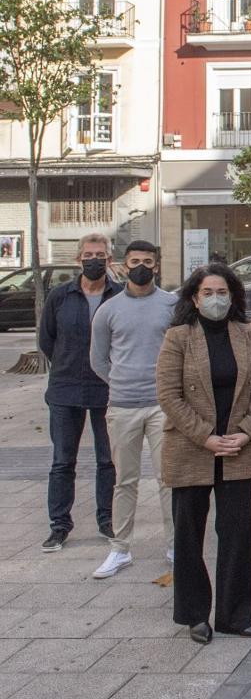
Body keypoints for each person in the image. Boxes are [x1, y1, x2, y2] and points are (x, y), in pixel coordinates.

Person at [157, 264, 251, 643]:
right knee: (189, 533)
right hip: (192, 449)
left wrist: (244, 433)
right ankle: (195, 615)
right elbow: (169, 395)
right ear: (194, 298)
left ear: (233, 295)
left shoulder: (247, 335)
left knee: (237, 533)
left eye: (221, 291)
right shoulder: (178, 337)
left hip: (238, 449)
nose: (215, 299)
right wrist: (206, 436)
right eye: (207, 292)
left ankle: (235, 615)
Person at [89, 240, 179, 579]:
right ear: (124, 265)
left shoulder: (171, 305)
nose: (141, 266)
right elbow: (98, 359)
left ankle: (174, 545)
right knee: (124, 481)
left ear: (156, 265)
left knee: (167, 479)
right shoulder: (109, 310)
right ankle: (120, 548)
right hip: (123, 405)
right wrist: (120, 380)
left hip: (162, 406)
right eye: (135, 260)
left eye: (148, 261)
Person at [39, 234, 122, 552]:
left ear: (109, 259)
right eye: (88, 254)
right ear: (78, 259)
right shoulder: (60, 296)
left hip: (107, 389)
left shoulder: (119, 296)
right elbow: (47, 340)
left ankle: (107, 521)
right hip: (65, 389)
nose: (94, 259)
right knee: (62, 461)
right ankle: (59, 525)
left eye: (100, 254)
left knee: (107, 461)